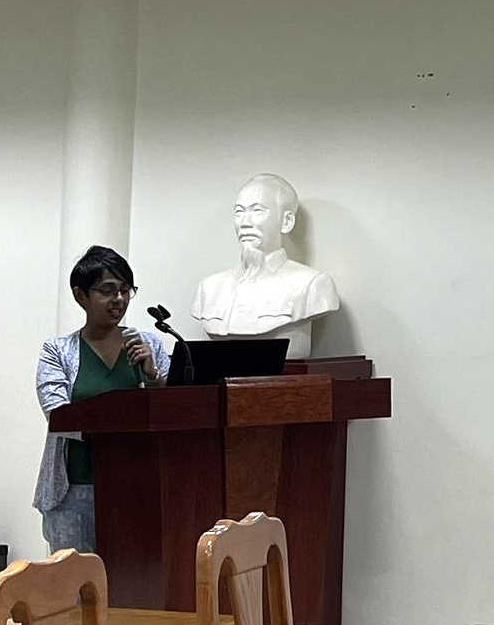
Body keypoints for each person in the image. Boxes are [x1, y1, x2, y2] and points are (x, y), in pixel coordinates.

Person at [34, 245, 170, 553]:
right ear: (81, 295)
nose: (118, 300)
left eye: (125, 290)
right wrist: (121, 414)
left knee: (133, 585)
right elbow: (59, 416)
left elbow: (174, 411)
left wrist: (153, 376)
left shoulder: (148, 345)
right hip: (75, 488)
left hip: (139, 483)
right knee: (74, 587)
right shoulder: (57, 351)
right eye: (107, 291)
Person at [191, 173, 339, 360]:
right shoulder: (210, 287)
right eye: (239, 212)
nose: (245, 223)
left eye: (257, 211)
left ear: (286, 222)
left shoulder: (313, 284)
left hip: (286, 384)